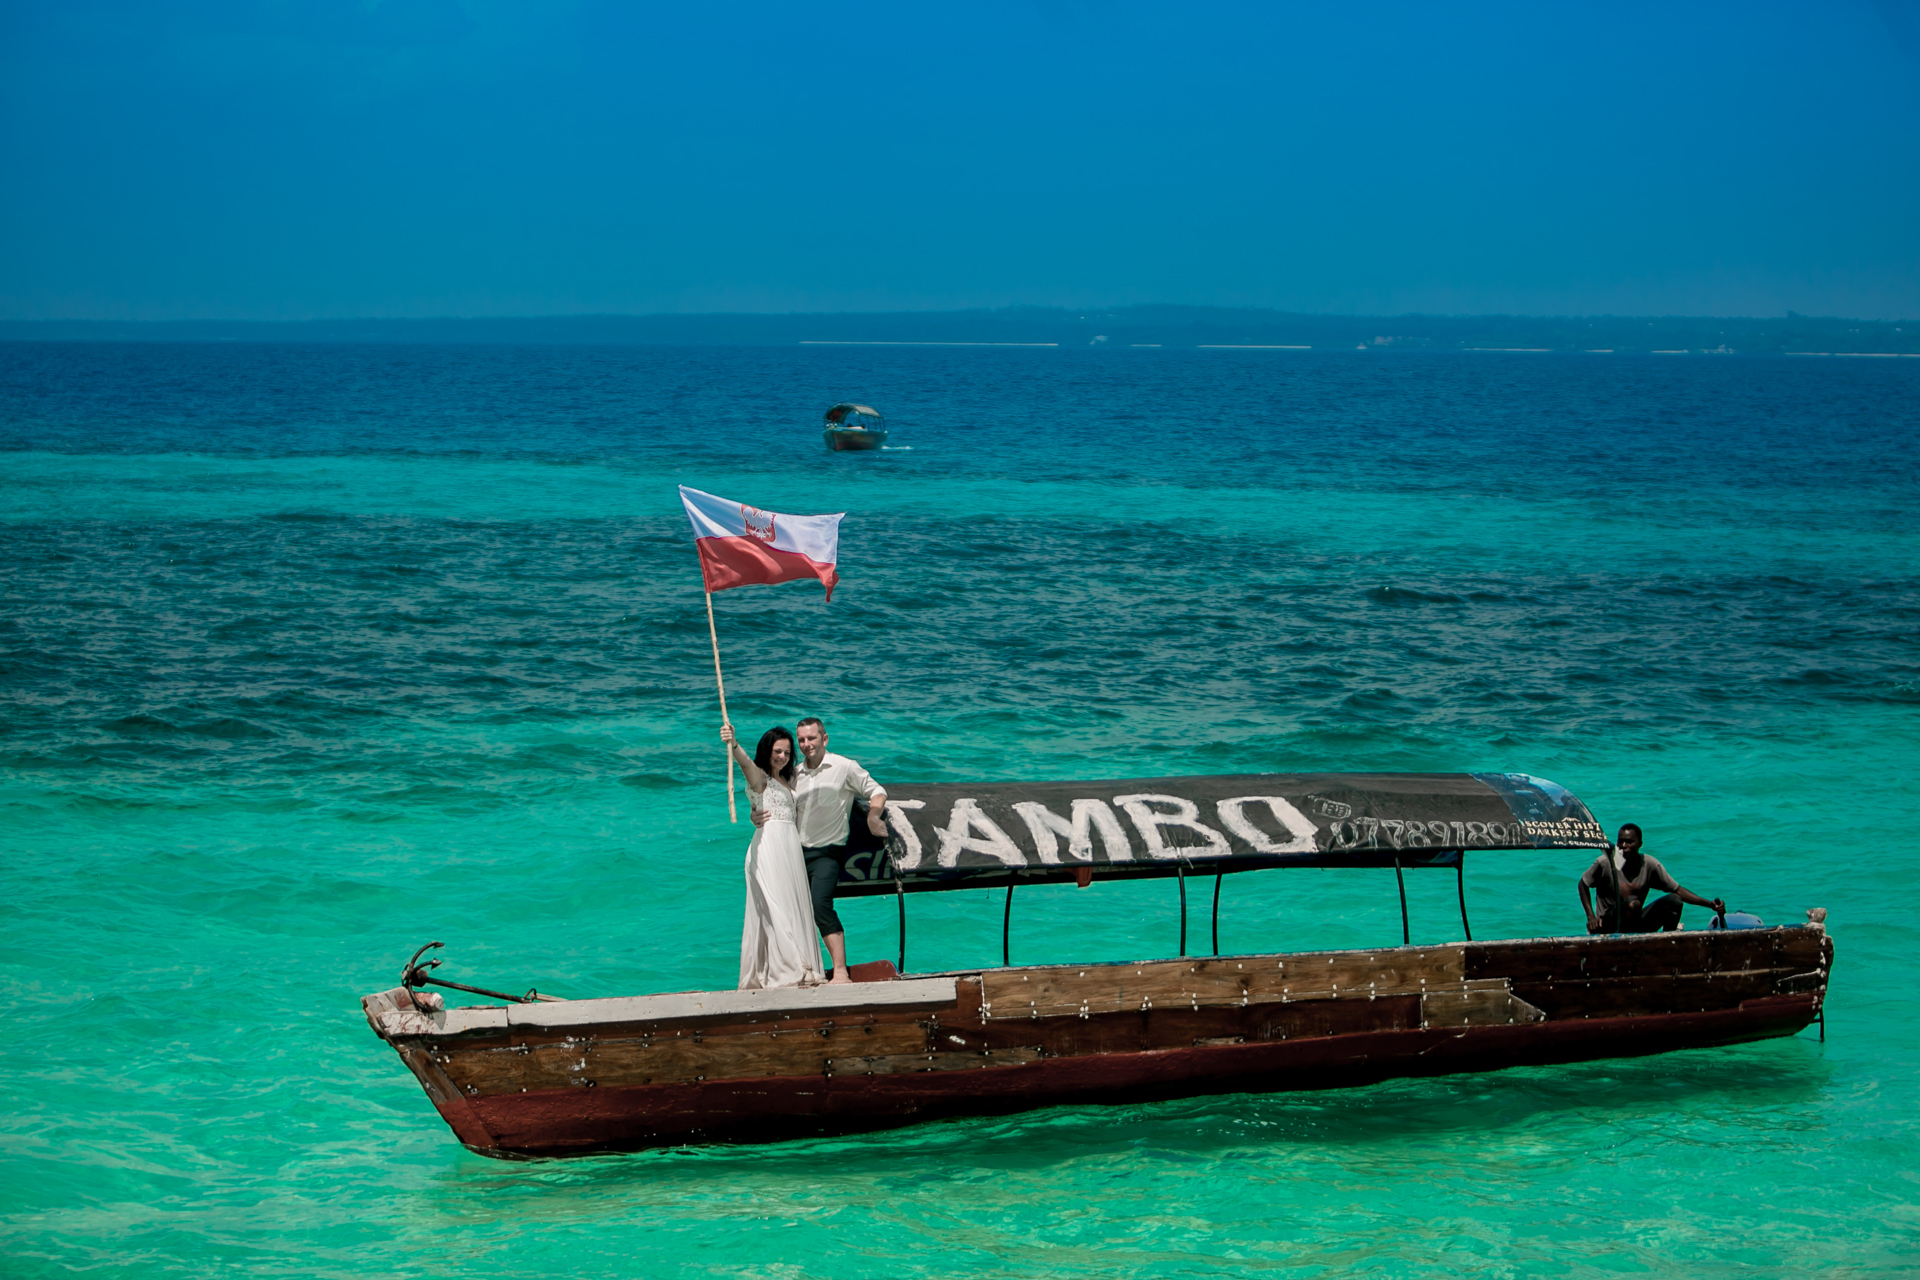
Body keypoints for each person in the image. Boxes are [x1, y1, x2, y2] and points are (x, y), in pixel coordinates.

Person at [755, 716, 888, 984]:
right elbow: (774, 801)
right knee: (787, 909)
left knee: (820, 905)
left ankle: (840, 972)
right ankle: (796, 971)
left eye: (812, 738)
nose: (806, 744)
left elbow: (877, 791)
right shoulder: (793, 773)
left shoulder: (844, 767)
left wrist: (873, 816)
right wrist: (755, 814)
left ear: (824, 739)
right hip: (792, 853)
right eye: (801, 740)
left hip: (827, 853)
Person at [720, 723, 825, 990]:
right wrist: (734, 744)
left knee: (792, 904)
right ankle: (792, 967)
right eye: (778, 751)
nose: (782, 757)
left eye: (787, 752)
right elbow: (745, 764)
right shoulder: (760, 777)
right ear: (767, 751)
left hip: (789, 847)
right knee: (776, 905)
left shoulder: (787, 779)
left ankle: (801, 964)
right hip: (769, 846)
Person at [1579, 823, 1725, 934]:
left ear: (1640, 844)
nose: (1624, 846)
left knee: (1674, 901)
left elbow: (1678, 890)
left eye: (1629, 842)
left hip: (1636, 924)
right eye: (1620, 841)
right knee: (1632, 902)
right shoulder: (1605, 863)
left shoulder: (1649, 864)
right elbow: (1583, 884)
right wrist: (1591, 917)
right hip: (1609, 925)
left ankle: (1667, 940)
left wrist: (1709, 904)